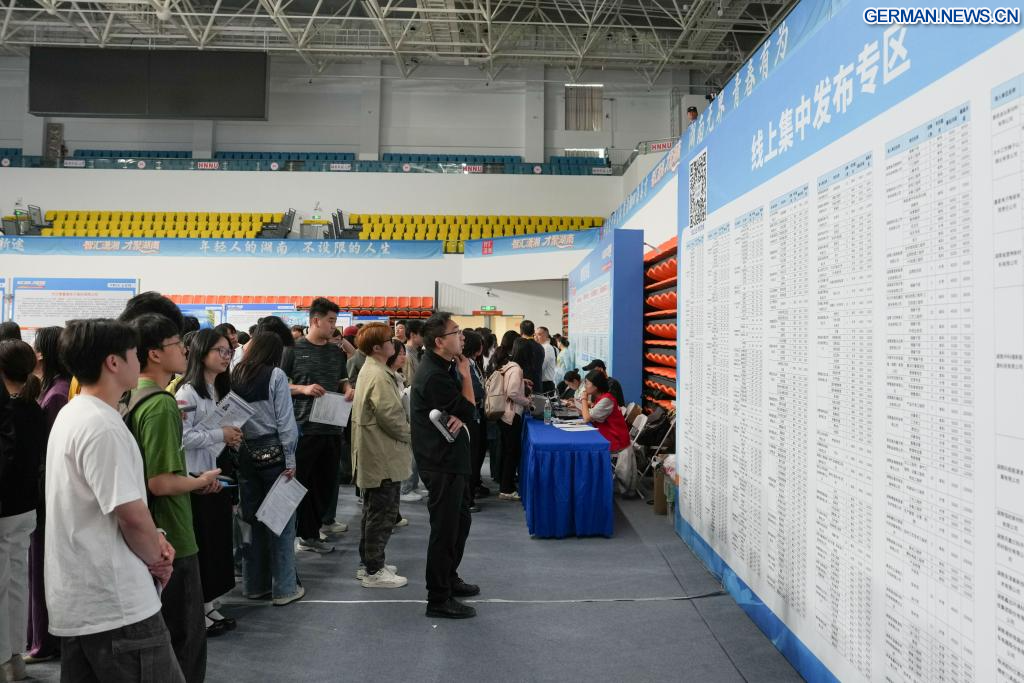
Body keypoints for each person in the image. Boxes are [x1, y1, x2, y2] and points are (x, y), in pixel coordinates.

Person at [45, 319, 182, 683]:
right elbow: (131, 515)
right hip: (116, 602)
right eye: (135, 354)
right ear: (113, 362)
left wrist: (155, 538)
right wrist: (157, 559)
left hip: (82, 599)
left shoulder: (73, 413)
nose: (140, 361)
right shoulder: (102, 425)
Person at [128, 313, 221, 683]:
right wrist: (199, 483)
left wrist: (193, 479)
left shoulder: (133, 397)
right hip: (173, 535)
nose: (185, 350)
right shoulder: (161, 403)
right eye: (176, 344)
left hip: (153, 529)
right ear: (154, 353)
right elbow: (161, 483)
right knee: (186, 639)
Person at [410, 312, 480, 619]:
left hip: (451, 459)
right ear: (440, 341)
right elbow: (470, 409)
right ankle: (438, 598)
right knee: (444, 529)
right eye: (456, 332)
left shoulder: (446, 365)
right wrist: (466, 379)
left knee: (459, 523)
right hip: (440, 462)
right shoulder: (435, 375)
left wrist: (462, 410)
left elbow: (466, 410)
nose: (462, 336)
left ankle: (449, 577)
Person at [175, 330, 242, 637]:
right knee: (202, 543)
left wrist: (230, 437)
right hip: (194, 478)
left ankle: (209, 603)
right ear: (202, 353)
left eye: (229, 351)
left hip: (213, 472)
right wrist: (220, 434)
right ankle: (198, 609)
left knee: (216, 543)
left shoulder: (217, 390)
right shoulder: (187, 392)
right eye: (220, 351)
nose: (226, 357)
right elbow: (183, 438)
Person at [231, 333, 303, 606]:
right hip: (275, 453)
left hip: (245, 452)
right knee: (280, 521)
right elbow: (285, 421)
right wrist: (290, 459)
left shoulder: (236, 374)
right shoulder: (276, 375)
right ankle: (284, 588)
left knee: (251, 520)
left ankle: (254, 585)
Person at [281, 297, 353, 553]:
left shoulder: (335, 352)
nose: (334, 326)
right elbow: (279, 386)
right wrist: (303, 388)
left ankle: (313, 529)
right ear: (315, 321)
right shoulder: (292, 350)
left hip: (333, 426)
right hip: (304, 428)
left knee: (326, 484)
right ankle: (307, 534)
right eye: (330, 321)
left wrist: (348, 389)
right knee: (302, 483)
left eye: (335, 321)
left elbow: (342, 380)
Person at [351, 324, 412, 589]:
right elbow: (392, 418)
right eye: (389, 340)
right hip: (382, 454)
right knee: (382, 514)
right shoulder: (379, 375)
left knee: (372, 512)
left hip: (375, 452)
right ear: (377, 347)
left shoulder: (372, 369)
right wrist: (412, 434)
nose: (394, 343)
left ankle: (369, 563)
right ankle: (374, 570)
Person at [0, 341, 46, 682]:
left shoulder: (8, 411)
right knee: (16, 583)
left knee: (4, 586)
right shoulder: (34, 409)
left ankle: (4, 659)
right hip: (26, 508)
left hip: (5, 509)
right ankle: (14, 655)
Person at [24, 327, 69, 665]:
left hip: (44, 496)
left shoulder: (56, 394)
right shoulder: (55, 388)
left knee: (40, 570)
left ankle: (43, 641)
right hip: (45, 494)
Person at [580, 370, 633, 488]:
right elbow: (592, 411)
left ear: (596, 386)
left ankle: (592, 481)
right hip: (607, 434)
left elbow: (587, 418)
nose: (585, 386)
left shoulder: (607, 400)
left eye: (587, 383)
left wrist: (583, 399)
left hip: (615, 439)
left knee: (584, 447)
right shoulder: (602, 397)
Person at [494, 339, 533, 501]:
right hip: (511, 415)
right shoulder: (516, 369)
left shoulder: (509, 365)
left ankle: (505, 483)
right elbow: (512, 393)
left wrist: (522, 382)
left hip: (503, 414)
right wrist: (527, 402)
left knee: (507, 451)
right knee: (512, 452)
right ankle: (506, 489)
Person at [461, 330, 487, 508]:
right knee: (471, 456)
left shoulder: (471, 363)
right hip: (470, 416)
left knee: (477, 454)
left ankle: (473, 488)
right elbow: (477, 391)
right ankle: (468, 498)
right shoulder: (465, 365)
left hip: (476, 413)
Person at [518, 320, 545, 392]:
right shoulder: (540, 347)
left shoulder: (520, 346)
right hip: (537, 385)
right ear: (533, 331)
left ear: (521, 331)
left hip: (524, 386)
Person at [536, 326, 558, 395]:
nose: (536, 337)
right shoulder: (541, 347)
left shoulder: (547, 348)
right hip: (542, 383)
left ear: (546, 336)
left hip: (546, 384)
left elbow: (542, 366)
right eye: (535, 334)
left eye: (539, 334)